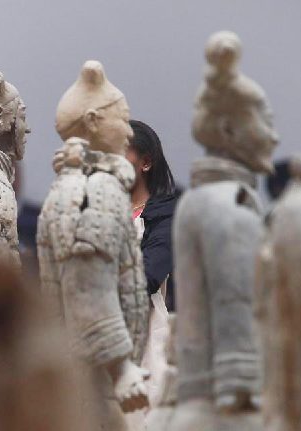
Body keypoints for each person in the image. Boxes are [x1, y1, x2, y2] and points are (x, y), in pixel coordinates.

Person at [126, 119, 178, 405]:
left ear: (145, 162)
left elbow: (149, 275)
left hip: (143, 337)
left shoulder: (165, 216)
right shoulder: (90, 209)